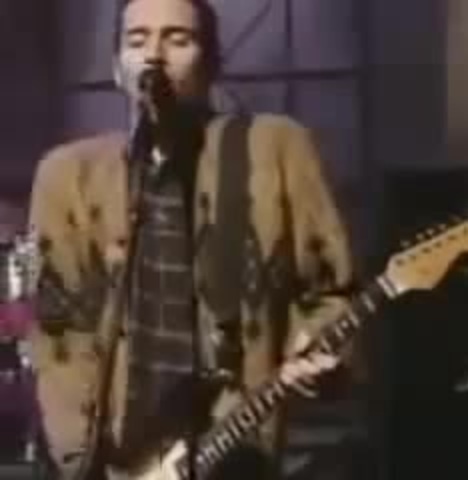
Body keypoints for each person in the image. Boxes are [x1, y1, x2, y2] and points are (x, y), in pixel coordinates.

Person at [27, 0, 358, 477]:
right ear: (116, 67)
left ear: (212, 63)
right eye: (137, 40)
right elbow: (58, 332)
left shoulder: (274, 151)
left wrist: (324, 352)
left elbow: (332, 292)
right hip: (118, 459)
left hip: (235, 445)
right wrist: (81, 457)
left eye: (178, 39)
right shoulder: (69, 176)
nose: (154, 55)